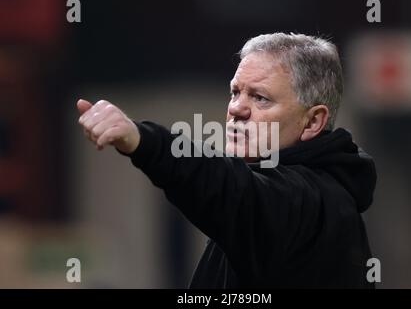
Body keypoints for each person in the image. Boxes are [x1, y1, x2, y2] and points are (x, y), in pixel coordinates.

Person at [77, 33, 377, 288]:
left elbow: (226, 184)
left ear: (312, 122)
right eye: (235, 92)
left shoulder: (311, 202)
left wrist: (141, 140)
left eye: (260, 98)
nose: (236, 109)